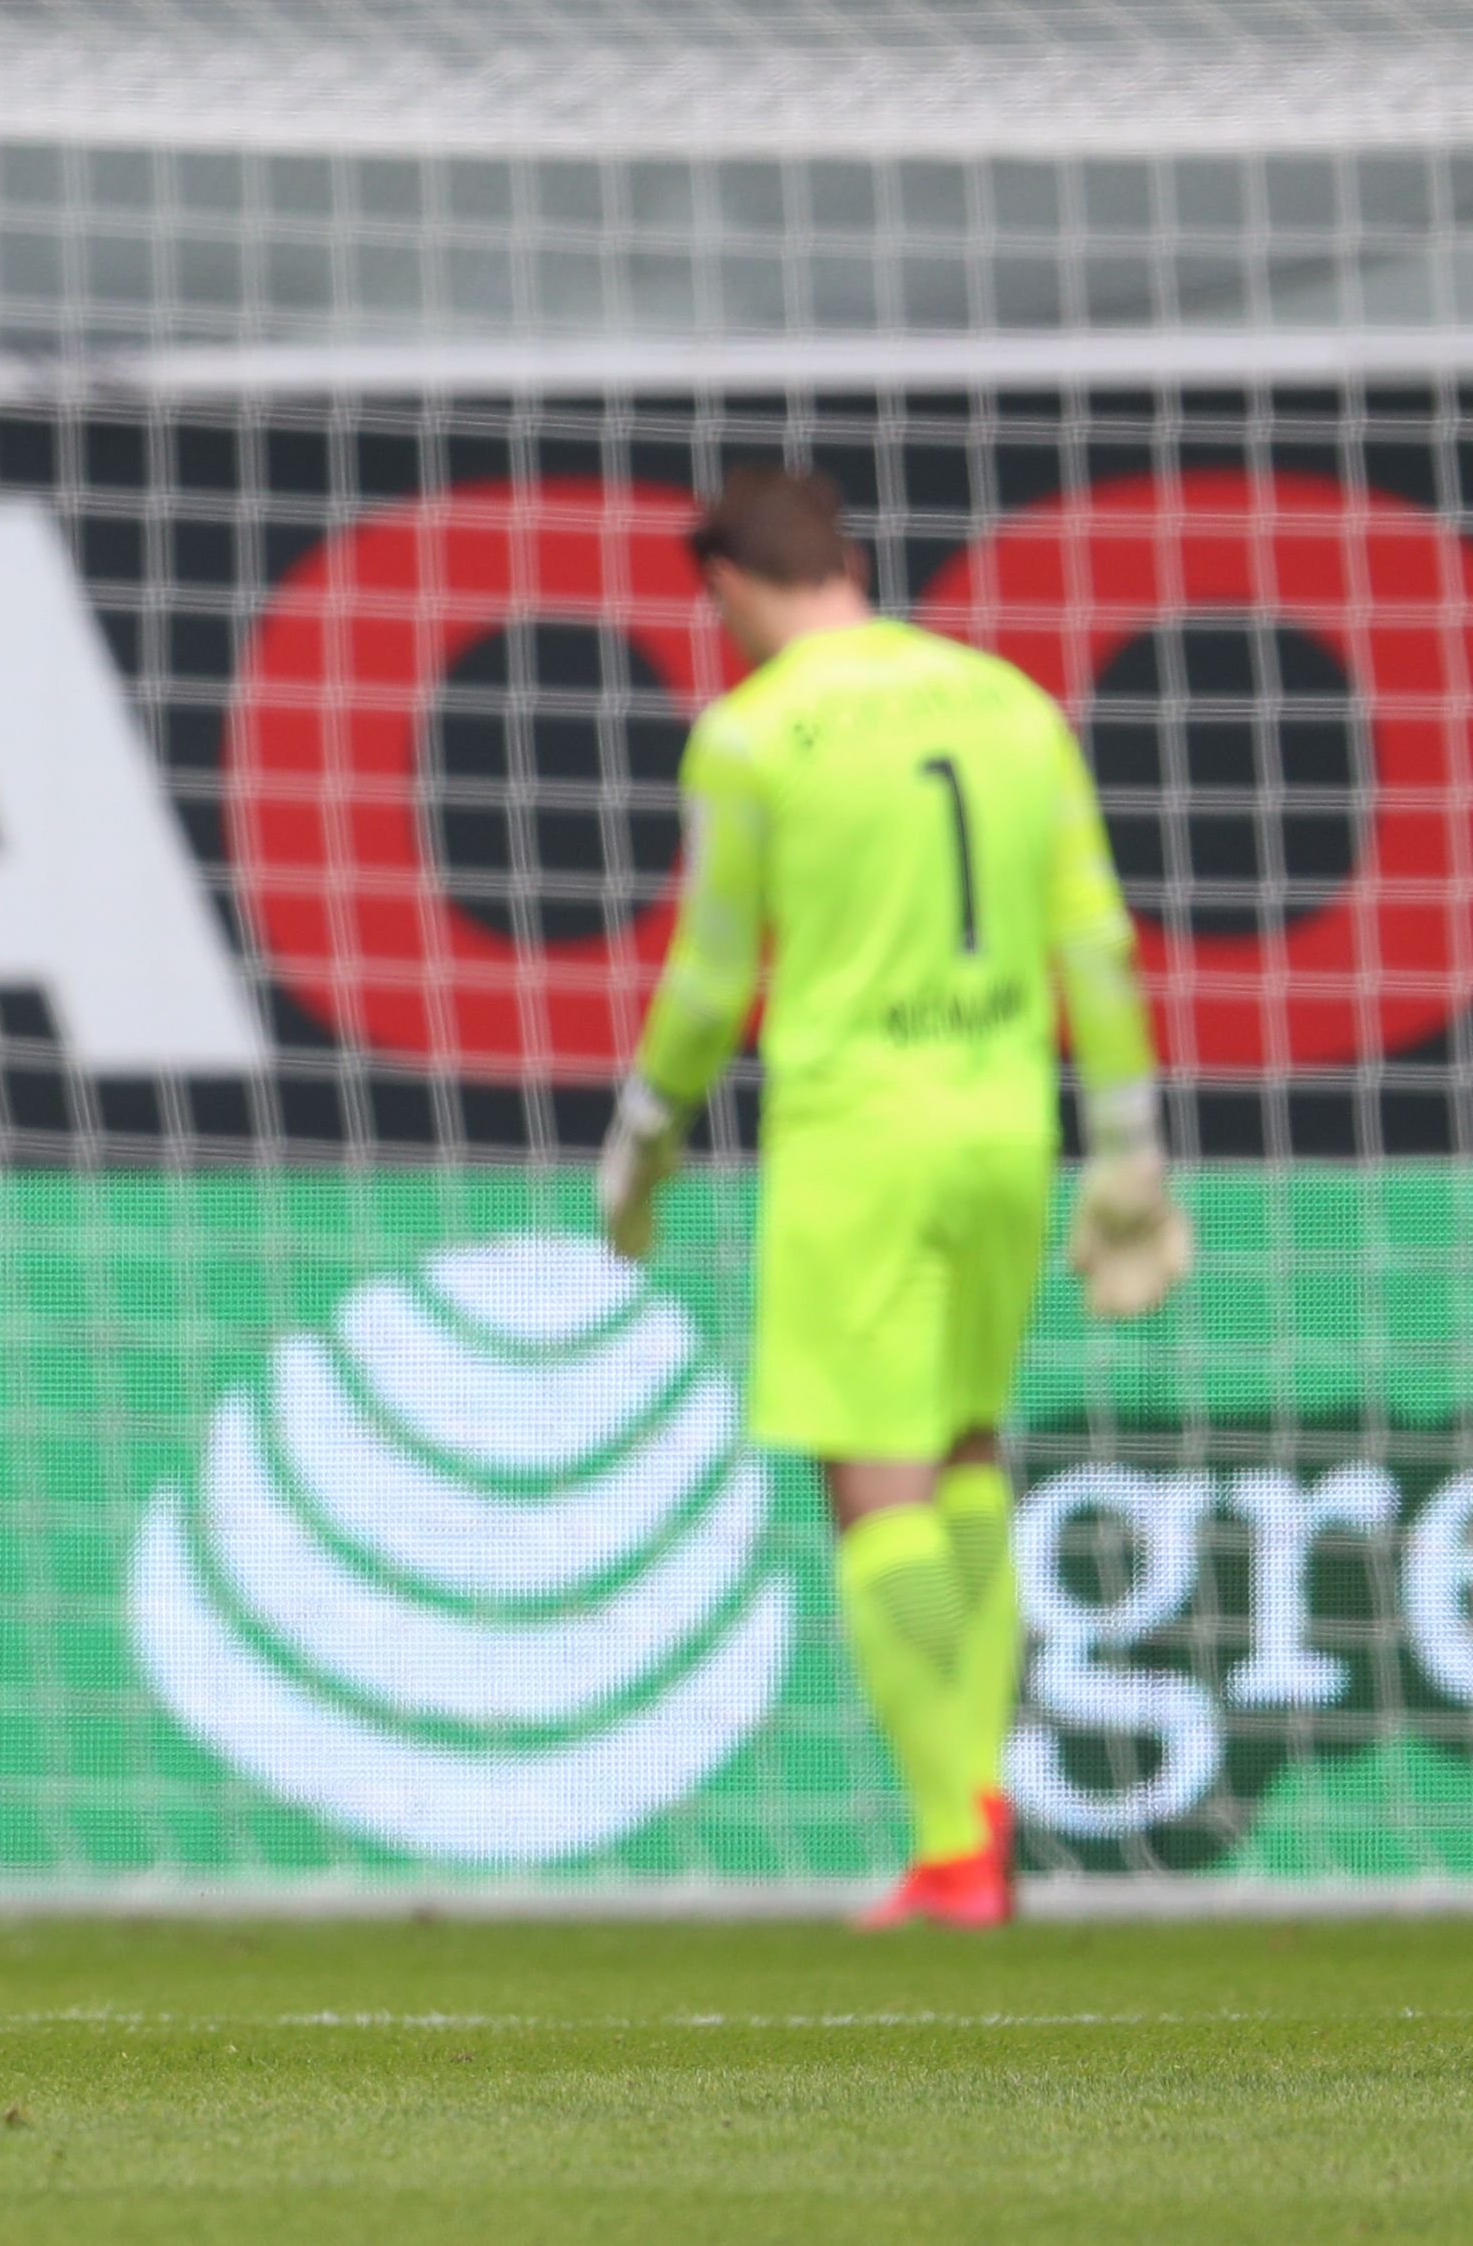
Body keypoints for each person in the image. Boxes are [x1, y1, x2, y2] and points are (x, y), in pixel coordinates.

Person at [599, 465, 1190, 1932]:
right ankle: (977, 1805)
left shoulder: (752, 733)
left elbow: (711, 980)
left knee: (875, 1489)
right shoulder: (1008, 705)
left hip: (857, 1139)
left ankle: (953, 1846)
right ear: (850, 559)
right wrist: (1128, 1146)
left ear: (728, 588)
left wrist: (642, 1139)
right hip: (1005, 1131)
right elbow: (1099, 946)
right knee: (969, 1458)